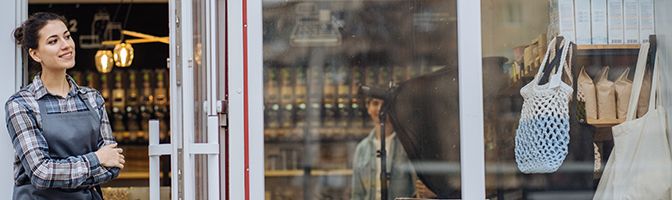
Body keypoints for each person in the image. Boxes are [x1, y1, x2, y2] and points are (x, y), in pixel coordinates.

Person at [5, 12, 124, 199]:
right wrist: (97, 158)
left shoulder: (92, 98)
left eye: (67, 36)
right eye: (53, 41)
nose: (66, 45)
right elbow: (41, 174)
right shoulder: (21, 104)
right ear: (35, 54)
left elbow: (114, 165)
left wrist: (60, 175)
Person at [351, 97, 435, 199]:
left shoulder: (408, 145)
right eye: (375, 103)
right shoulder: (361, 149)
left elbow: (417, 189)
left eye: (385, 104)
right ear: (368, 108)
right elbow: (357, 194)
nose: (380, 109)